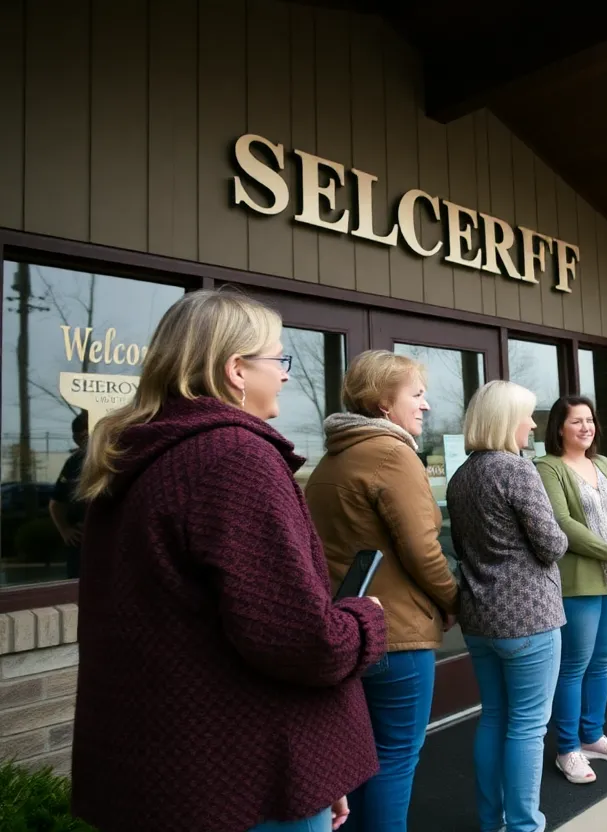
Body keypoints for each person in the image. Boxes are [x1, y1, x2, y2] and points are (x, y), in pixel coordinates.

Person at [71, 289, 387, 832]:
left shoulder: (137, 455)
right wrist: (366, 620)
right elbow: (305, 643)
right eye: (279, 358)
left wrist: (317, 769)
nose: (286, 374)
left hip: (170, 776)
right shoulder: (233, 458)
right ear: (236, 369)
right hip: (242, 787)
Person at [305, 350, 460, 832]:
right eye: (416, 394)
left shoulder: (332, 457)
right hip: (397, 636)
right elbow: (424, 550)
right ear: (382, 403)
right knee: (395, 758)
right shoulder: (392, 453)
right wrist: (457, 602)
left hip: (350, 628)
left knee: (356, 765)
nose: (426, 405)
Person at [446, 380, 568, 832]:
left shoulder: (461, 476)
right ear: (504, 421)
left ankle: (491, 821)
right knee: (528, 727)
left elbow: (461, 547)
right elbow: (552, 544)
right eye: (526, 416)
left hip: (479, 619)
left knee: (494, 718)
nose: (533, 424)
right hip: (528, 619)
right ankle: (523, 826)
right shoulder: (517, 470)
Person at [535, 395, 607, 785]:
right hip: (580, 581)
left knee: (601, 662)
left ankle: (593, 735)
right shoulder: (547, 468)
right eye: (576, 421)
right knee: (573, 666)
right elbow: (561, 521)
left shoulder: (604, 463)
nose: (586, 427)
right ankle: (567, 749)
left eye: (590, 420)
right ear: (559, 428)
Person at [48, 411, 89, 579]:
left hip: (111, 539)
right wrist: (65, 530)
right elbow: (56, 503)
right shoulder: (74, 462)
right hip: (81, 543)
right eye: (79, 437)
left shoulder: (118, 455)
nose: (83, 440)